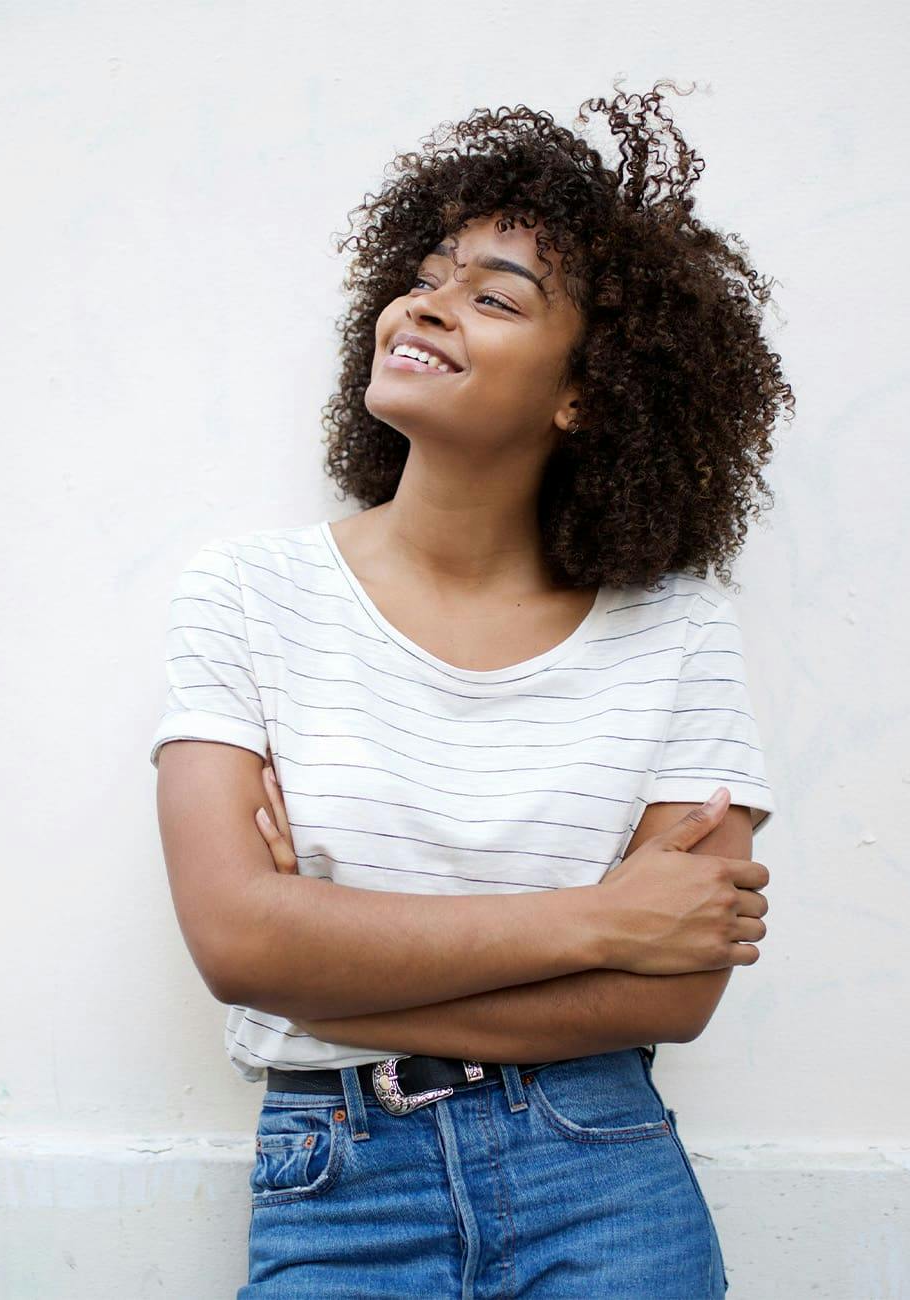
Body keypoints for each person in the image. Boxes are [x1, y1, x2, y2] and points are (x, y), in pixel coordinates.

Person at [150, 80, 794, 1298]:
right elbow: (238, 941)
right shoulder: (246, 593)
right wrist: (604, 921)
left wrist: (332, 954)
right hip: (336, 1182)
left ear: (585, 393)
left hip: (601, 1173)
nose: (429, 304)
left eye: (494, 295)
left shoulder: (680, 633)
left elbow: (685, 985)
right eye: (429, 274)